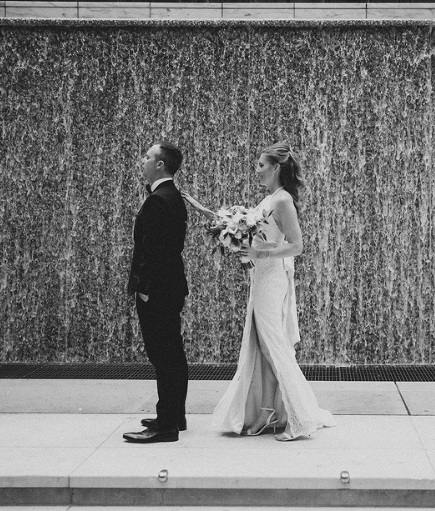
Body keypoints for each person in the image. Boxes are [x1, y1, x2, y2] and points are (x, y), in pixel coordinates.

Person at [183, 142, 334, 441]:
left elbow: (297, 245)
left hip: (272, 278)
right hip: (261, 277)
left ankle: (299, 418)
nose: (257, 170)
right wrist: (208, 214)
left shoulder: (283, 200)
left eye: (261, 165)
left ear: (276, 168)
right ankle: (267, 412)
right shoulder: (270, 198)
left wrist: (260, 254)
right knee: (264, 346)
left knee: (273, 345)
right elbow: (245, 230)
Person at [123, 142, 190, 444]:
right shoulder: (172, 196)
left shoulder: (158, 200)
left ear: (160, 164)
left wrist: (145, 290)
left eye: (148, 156)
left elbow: (153, 251)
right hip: (170, 287)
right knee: (173, 354)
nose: (143, 160)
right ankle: (175, 416)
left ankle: (166, 426)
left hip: (158, 290)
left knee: (163, 356)